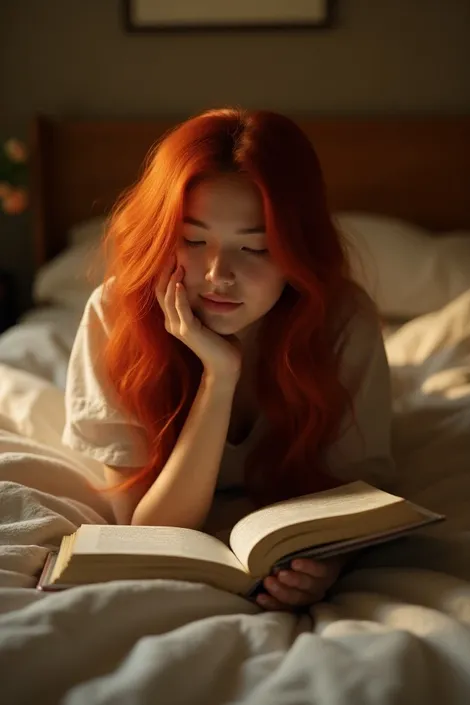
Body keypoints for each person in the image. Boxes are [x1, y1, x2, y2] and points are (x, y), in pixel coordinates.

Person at [62, 108, 395, 611]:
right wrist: (219, 377)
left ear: (297, 250)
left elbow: (360, 497)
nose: (218, 274)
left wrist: (325, 562)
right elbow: (150, 531)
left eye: (256, 248)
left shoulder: (342, 321)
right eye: (193, 241)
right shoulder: (117, 315)